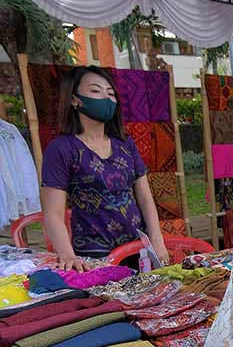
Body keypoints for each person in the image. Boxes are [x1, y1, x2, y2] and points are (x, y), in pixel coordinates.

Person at [41, 66, 168, 271]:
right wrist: (68, 256)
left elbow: (144, 197)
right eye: (95, 91)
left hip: (137, 249)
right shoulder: (62, 148)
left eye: (110, 93)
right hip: (94, 256)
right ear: (75, 99)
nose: (106, 98)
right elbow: (53, 213)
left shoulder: (126, 145)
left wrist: (156, 238)